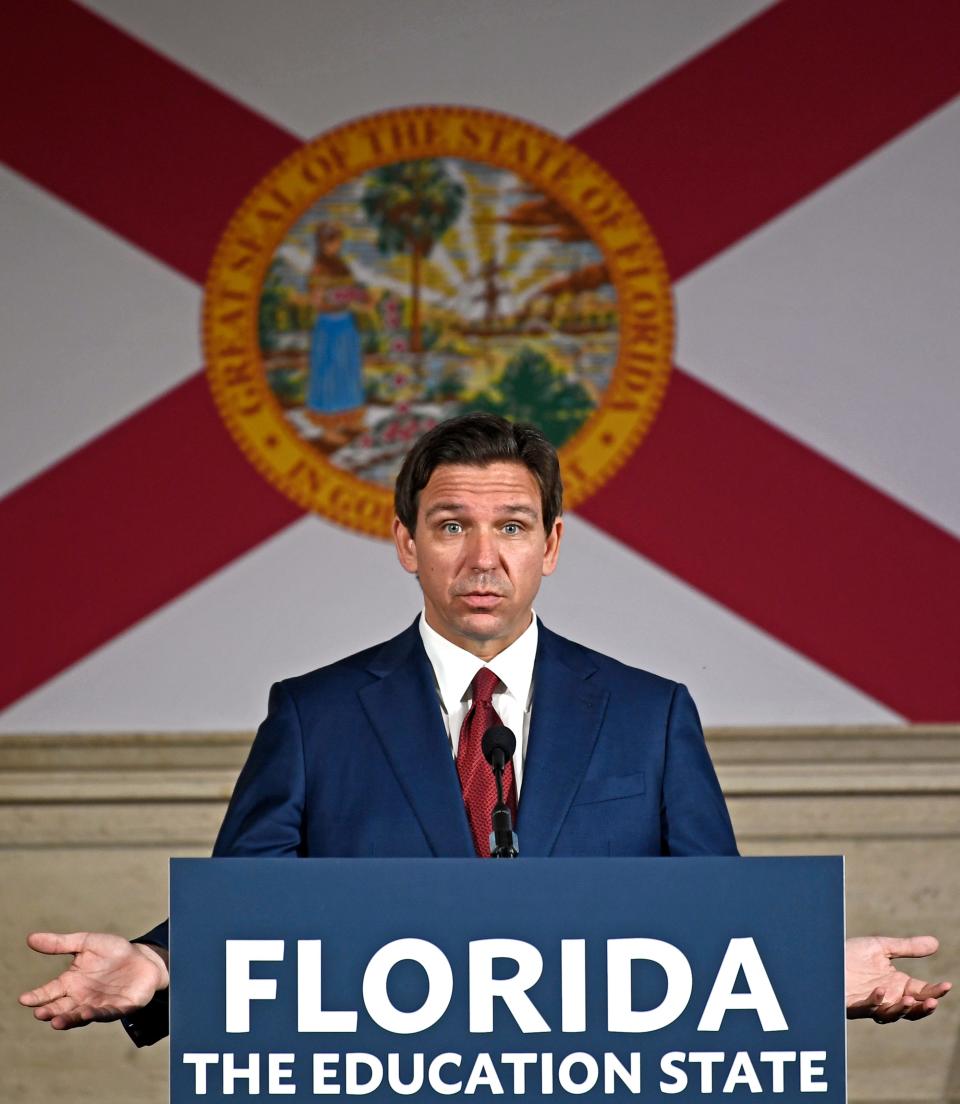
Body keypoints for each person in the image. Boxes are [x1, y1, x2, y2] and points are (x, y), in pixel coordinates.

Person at [19, 414, 951, 1042]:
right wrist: (156, 964)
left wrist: (800, 975)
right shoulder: (313, 716)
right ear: (404, 543)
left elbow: (714, 927)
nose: (482, 556)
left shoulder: (650, 714)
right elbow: (249, 913)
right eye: (450, 524)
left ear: (550, 545)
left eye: (511, 525)